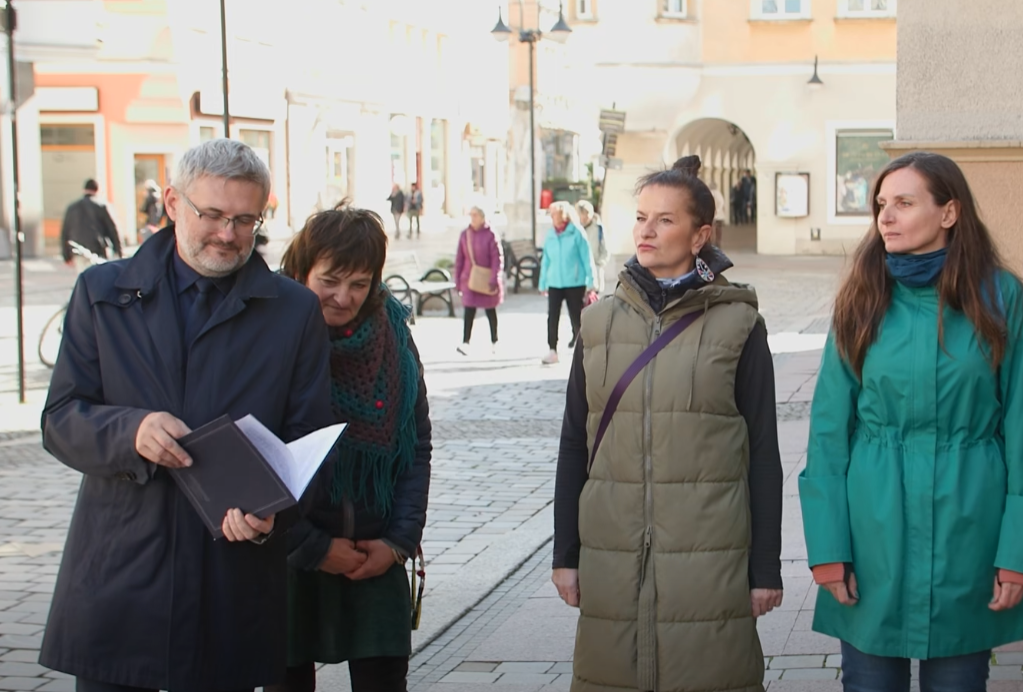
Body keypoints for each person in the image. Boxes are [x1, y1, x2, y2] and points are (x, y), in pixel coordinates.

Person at [38, 138, 334, 692]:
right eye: (214, 215)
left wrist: (277, 512)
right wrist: (131, 431)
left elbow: (311, 442)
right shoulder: (102, 294)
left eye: (246, 219)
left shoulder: (293, 312)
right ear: (173, 203)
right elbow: (60, 420)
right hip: (122, 574)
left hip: (230, 582)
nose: (228, 234)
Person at [552, 154, 783, 692]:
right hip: (613, 556)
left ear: (700, 235)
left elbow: (764, 452)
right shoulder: (598, 321)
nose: (647, 231)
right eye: (640, 217)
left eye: (665, 219)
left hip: (710, 559)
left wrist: (764, 568)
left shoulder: (738, 324)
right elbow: (572, 444)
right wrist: (566, 554)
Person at [799, 151, 1023, 692]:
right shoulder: (862, 297)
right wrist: (828, 548)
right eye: (881, 204)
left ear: (949, 213)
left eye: (904, 202)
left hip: (968, 529)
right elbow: (829, 430)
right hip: (873, 530)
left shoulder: (999, 296)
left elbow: (1019, 423)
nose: (886, 217)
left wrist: (1015, 551)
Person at [273, 202, 432, 692]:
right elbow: (252, 459)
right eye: (330, 280)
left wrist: (398, 543)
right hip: (288, 560)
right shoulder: (269, 338)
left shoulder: (393, 337)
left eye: (360, 284)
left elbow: (416, 445)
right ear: (302, 272)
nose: (344, 297)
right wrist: (313, 547)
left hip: (375, 551)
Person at [539, 201, 594, 365]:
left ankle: (583, 351)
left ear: (564, 215)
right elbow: (546, 260)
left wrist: (592, 280)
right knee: (552, 317)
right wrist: (542, 282)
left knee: (576, 317)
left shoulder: (577, 232)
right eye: (551, 214)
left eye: (554, 214)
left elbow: (587, 257)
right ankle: (552, 350)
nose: (553, 217)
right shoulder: (550, 235)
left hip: (575, 282)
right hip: (555, 282)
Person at [454, 206, 504, 356]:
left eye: (476, 215)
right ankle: (465, 342)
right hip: (469, 279)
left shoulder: (491, 234)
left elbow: (497, 259)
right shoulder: (465, 235)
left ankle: (495, 340)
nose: (473, 218)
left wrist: (495, 277)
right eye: (471, 215)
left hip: (487, 279)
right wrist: (457, 281)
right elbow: (459, 259)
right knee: (469, 310)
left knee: (490, 310)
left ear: (482, 217)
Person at [61, 178, 122, 271]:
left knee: (83, 278)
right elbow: (112, 230)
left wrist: (66, 255)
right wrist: (118, 251)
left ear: (84, 189)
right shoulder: (101, 206)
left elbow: (65, 232)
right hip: (97, 249)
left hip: (77, 249)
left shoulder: (72, 208)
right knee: (98, 278)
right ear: (97, 190)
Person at [576, 200, 609, 295]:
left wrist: (600, 263)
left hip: (595, 269)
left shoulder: (598, 228)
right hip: (578, 273)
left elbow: (605, 248)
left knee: (594, 303)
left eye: (586, 214)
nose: (584, 218)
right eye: (581, 215)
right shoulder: (575, 229)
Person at [710, 181, 727, 247]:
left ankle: (714, 243)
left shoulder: (712, 193)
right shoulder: (718, 193)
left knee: (714, 229)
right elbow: (722, 202)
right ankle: (717, 242)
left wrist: (716, 210)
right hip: (718, 215)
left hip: (716, 215)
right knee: (718, 230)